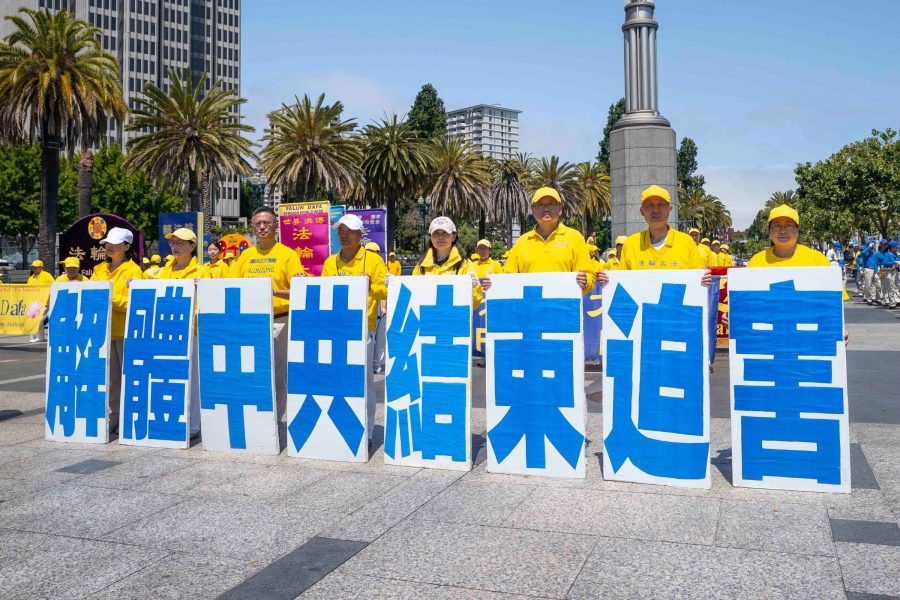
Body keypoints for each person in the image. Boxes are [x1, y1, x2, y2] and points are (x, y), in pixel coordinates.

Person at [231, 206, 305, 422]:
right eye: (257, 224)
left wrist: (271, 291)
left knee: (279, 374)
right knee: (255, 372)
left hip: (280, 321)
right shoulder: (245, 256)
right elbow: (231, 286)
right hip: (251, 323)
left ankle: (278, 420)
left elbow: (299, 290)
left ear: (276, 226)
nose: (262, 227)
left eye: (266, 223)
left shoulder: (288, 254)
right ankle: (259, 419)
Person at [321, 213, 387, 441]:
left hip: (362, 329)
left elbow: (386, 290)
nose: (344, 235)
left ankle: (366, 432)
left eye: (349, 231)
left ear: (360, 235)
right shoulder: (330, 262)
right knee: (337, 379)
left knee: (363, 381)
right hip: (335, 330)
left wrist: (370, 286)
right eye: (340, 231)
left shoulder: (373, 260)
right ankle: (341, 426)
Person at [746, 204, 849, 342]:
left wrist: (838, 329)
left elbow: (834, 302)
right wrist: (734, 317)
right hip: (768, 340)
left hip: (808, 340)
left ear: (797, 229)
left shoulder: (817, 259)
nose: (783, 230)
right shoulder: (756, 261)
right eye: (777, 226)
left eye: (788, 225)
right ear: (769, 231)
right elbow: (747, 303)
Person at [483, 187, 595, 293]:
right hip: (530, 306)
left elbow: (589, 276)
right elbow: (509, 278)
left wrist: (586, 281)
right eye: (540, 205)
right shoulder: (521, 242)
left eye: (551, 204)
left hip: (562, 306)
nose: (546, 209)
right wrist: (494, 284)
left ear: (560, 208)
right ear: (533, 209)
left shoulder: (575, 238)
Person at [90, 227, 143, 434]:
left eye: (114, 243)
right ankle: (114, 417)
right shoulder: (98, 269)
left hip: (125, 333)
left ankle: (128, 418)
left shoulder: (134, 271)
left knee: (128, 377)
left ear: (127, 246)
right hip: (103, 331)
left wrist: (108, 297)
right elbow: (90, 294)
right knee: (111, 379)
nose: (109, 246)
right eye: (107, 243)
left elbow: (133, 303)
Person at [598, 185, 708, 285]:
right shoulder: (631, 244)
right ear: (642, 211)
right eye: (649, 205)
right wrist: (608, 280)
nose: (655, 210)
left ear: (669, 209)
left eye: (661, 204)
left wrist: (705, 279)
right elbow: (621, 283)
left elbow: (698, 280)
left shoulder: (686, 242)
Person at [158, 228, 207, 439]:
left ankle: (194, 424)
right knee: (171, 377)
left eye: (180, 243)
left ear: (192, 246)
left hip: (192, 331)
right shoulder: (164, 271)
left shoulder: (202, 271)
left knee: (193, 379)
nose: (174, 246)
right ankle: (173, 418)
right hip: (168, 331)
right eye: (172, 242)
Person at [364, 240, 387, 374]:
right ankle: (374, 364)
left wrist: (383, 307)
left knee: (379, 340)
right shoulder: (361, 264)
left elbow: (383, 288)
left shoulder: (379, 264)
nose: (372, 254)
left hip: (377, 308)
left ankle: (376, 363)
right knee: (374, 340)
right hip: (368, 310)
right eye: (369, 252)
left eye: (374, 252)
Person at [26, 259, 54, 342]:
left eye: (36, 267)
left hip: (45, 302)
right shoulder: (30, 278)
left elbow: (53, 285)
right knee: (31, 319)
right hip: (33, 303)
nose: (34, 268)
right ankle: (34, 337)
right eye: (33, 267)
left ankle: (40, 337)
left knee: (39, 319)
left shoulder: (47, 275)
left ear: (41, 267)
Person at [875, 239, 898, 308]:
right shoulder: (882, 254)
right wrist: (875, 272)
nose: (885, 245)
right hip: (883, 270)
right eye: (884, 244)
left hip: (892, 270)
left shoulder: (893, 253)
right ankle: (888, 302)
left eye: (886, 244)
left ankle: (893, 301)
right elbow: (881, 263)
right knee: (885, 286)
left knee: (892, 287)